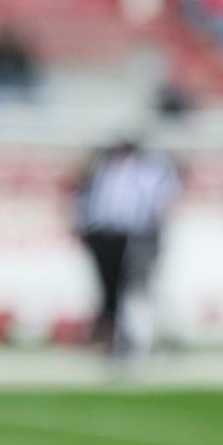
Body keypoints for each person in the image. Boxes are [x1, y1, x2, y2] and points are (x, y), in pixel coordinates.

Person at [73, 135, 181, 359]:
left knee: (136, 289)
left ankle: (136, 339)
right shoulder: (102, 168)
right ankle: (112, 340)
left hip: (136, 236)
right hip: (105, 235)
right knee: (110, 291)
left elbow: (156, 203)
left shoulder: (149, 170)